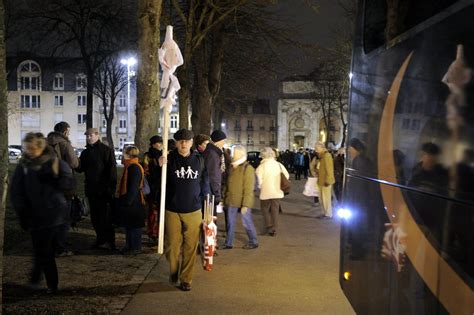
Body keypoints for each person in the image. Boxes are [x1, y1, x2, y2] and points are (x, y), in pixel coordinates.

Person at [10, 133, 75, 294]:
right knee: (41, 250)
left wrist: (55, 180)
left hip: (53, 214)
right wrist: (22, 211)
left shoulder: (54, 162)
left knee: (44, 250)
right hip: (33, 214)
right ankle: (40, 281)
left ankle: (48, 284)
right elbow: (16, 190)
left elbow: (69, 185)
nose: (29, 152)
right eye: (27, 148)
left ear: (40, 148)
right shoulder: (24, 165)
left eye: (31, 148)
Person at [160, 129, 210, 291]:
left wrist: (209, 202)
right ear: (176, 142)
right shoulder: (169, 159)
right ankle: (174, 271)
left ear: (191, 143)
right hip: (172, 209)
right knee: (172, 246)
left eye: (187, 141)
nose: (183, 144)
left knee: (190, 246)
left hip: (194, 209)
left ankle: (186, 278)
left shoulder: (199, 160)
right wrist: (158, 166)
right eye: (180, 141)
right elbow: (157, 182)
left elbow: (205, 182)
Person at [76, 128, 117, 250]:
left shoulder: (106, 151)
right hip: (91, 189)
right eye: (87, 136)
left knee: (105, 217)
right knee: (95, 217)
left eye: (90, 135)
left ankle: (110, 242)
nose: (88, 138)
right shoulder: (85, 153)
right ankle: (100, 239)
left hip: (104, 190)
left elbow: (112, 171)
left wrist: (110, 189)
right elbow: (80, 168)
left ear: (97, 135)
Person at [47, 121, 79, 257]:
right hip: (63, 184)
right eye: (69, 131)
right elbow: (74, 163)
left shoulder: (45, 142)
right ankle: (61, 247)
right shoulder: (65, 144)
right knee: (64, 217)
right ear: (65, 131)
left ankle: (51, 245)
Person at [222, 145, 258, 249]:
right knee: (230, 223)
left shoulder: (248, 168)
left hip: (243, 201)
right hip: (231, 200)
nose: (234, 155)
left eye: (236, 153)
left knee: (247, 222)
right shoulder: (232, 167)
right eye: (234, 153)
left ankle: (253, 241)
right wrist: (224, 199)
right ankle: (228, 243)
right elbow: (227, 184)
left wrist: (246, 205)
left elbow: (249, 189)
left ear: (242, 154)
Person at [118, 146, 147, 255]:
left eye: (124, 153)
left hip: (134, 201)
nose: (122, 155)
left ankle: (135, 247)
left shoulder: (133, 167)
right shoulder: (130, 166)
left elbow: (133, 186)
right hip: (131, 200)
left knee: (134, 226)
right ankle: (129, 246)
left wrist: (127, 201)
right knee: (129, 224)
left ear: (128, 154)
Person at [256, 147, 289, 237]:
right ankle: (274, 228)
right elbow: (286, 175)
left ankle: (268, 226)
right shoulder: (278, 165)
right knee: (275, 210)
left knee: (265, 209)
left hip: (265, 191)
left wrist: (261, 186)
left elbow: (259, 179)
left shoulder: (261, 166)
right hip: (277, 191)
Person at [143, 135, 163, 245]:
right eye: (157, 143)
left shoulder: (162, 155)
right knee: (153, 212)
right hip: (154, 187)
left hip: (157, 187)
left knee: (155, 212)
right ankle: (153, 233)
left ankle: (155, 233)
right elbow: (146, 172)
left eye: (160, 143)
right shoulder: (149, 156)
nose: (159, 145)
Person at [315, 142, 335, 219]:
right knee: (321, 198)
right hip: (321, 180)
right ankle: (324, 212)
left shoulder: (327, 156)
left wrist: (328, 180)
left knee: (326, 198)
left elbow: (329, 169)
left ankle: (328, 214)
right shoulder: (321, 156)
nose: (316, 150)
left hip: (325, 181)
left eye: (317, 148)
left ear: (322, 148)